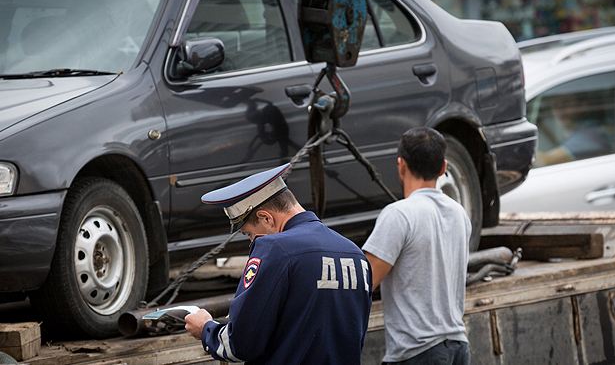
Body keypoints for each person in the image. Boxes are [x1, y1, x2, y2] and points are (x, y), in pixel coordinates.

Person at [184, 163, 372, 364]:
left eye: (248, 233)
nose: (250, 241)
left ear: (266, 218)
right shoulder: (354, 253)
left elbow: (241, 344)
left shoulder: (275, 248)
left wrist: (206, 329)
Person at [362, 127, 471, 365]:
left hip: (418, 352)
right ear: (443, 167)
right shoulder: (459, 213)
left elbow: (364, 282)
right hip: (458, 346)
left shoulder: (399, 214)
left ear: (401, 165)